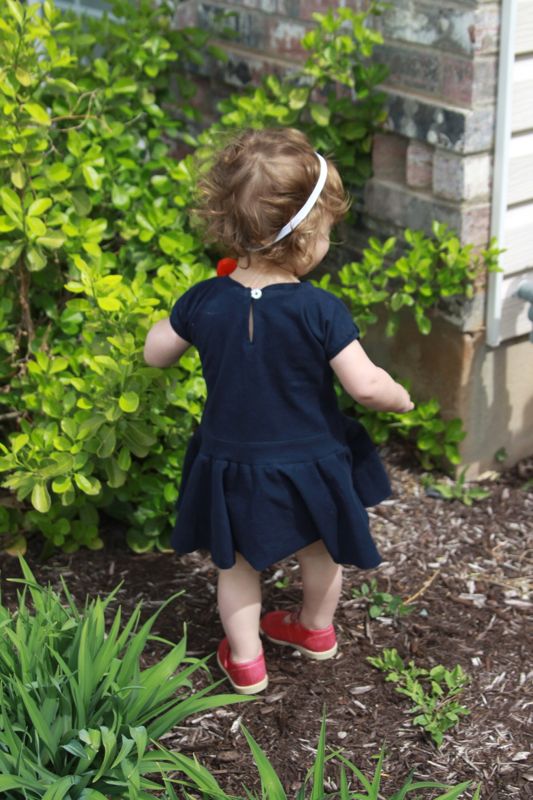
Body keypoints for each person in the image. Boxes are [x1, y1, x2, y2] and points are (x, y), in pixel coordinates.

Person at [144, 128, 414, 695]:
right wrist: (399, 395)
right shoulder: (321, 310)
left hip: (233, 460)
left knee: (236, 564)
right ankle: (313, 629)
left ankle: (245, 661)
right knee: (321, 547)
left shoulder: (203, 298)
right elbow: (364, 385)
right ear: (307, 236)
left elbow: (156, 353)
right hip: (311, 459)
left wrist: (185, 318)